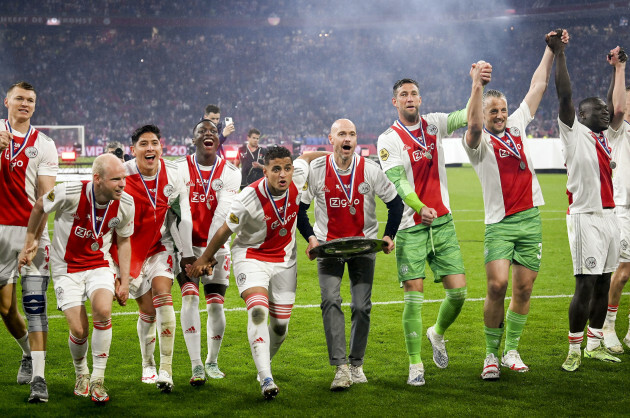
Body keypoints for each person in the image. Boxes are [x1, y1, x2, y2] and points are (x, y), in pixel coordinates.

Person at [464, 31, 568, 380]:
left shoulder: (518, 125)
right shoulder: (477, 144)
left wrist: (550, 51)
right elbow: (474, 125)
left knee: (524, 288)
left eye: (503, 109)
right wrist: (477, 85)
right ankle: (490, 354)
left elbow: (537, 87)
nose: (500, 115)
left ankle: (511, 350)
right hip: (499, 223)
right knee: (496, 286)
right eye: (494, 111)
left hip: (530, 220)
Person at [376, 71, 487, 385]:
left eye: (413, 93)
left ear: (420, 99)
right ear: (395, 102)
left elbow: (468, 115)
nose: (409, 99)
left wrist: (476, 86)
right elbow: (397, 180)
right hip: (411, 228)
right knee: (414, 296)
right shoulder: (388, 139)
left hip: (443, 223)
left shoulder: (435, 123)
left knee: (459, 293)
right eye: (404, 95)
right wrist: (417, 206)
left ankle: (436, 333)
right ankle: (415, 364)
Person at [187, 146, 324, 400]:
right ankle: (267, 377)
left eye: (287, 168)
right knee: (259, 310)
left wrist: (335, 154)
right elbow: (224, 232)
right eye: (276, 169)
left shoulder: (299, 176)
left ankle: (263, 368)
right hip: (251, 256)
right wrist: (204, 260)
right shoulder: (247, 198)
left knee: (280, 328)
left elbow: (306, 157)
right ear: (265, 170)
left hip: (285, 260)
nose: (283, 175)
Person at [18, 153, 134, 403]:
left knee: (103, 310)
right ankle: (81, 372)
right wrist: (31, 242)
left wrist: (124, 281)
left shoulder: (126, 203)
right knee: (79, 329)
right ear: (97, 179)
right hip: (66, 269)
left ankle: (98, 380)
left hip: (99, 264)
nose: (122, 184)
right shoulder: (69, 192)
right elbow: (40, 205)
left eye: (123, 178)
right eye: (116, 179)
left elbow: (124, 240)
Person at [297, 119, 403, 390]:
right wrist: (311, 238)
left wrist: (390, 235)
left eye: (352, 134)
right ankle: (341, 368)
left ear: (356, 140)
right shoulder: (317, 170)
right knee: (330, 300)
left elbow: (395, 203)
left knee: (361, 306)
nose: (348, 138)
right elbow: (300, 210)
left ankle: (356, 364)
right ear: (331, 139)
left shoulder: (370, 169)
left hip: (363, 247)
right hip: (328, 247)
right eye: (342, 134)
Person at [554, 38, 627, 371]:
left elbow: (619, 108)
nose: (606, 111)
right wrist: (560, 53)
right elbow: (565, 94)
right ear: (581, 114)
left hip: (611, 218)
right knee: (584, 284)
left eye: (605, 108)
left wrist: (616, 71)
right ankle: (574, 347)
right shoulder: (574, 132)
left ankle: (596, 341)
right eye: (599, 108)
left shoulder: (605, 138)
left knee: (603, 281)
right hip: (585, 218)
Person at [111, 124, 189, 392]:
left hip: (159, 245)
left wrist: (186, 253)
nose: (149, 148)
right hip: (127, 251)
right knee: (147, 311)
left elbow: (181, 215)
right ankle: (147, 363)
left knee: (163, 298)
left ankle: (166, 369)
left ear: (161, 147)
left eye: (154, 143)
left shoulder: (174, 174)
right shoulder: (121, 174)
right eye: (143, 144)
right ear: (133, 150)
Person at [0, 81, 58, 403]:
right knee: (5, 308)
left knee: (35, 305)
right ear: (7, 100)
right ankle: (26, 352)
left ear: (35, 106)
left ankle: (39, 378)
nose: (25, 104)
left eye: (30, 100)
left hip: (32, 231)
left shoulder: (45, 144)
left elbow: (46, 197)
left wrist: (34, 238)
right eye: (19, 98)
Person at [172, 119, 241, 385]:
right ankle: (196, 365)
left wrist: (207, 256)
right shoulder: (178, 168)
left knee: (215, 305)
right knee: (189, 299)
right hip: (186, 248)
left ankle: (212, 361)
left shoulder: (231, 172)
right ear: (194, 139)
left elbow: (223, 215)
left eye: (213, 131)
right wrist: (188, 254)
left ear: (218, 140)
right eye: (202, 131)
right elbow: (178, 214)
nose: (208, 134)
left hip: (217, 247)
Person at [603, 86, 630, 354]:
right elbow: (618, 108)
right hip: (624, 209)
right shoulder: (619, 130)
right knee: (622, 273)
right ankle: (609, 326)